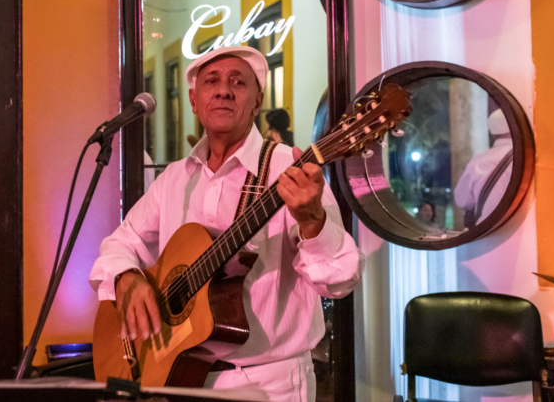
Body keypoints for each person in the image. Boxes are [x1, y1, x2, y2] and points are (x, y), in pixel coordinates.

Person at [89, 45, 364, 401]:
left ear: (257, 100)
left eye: (238, 82)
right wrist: (125, 278)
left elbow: (340, 281)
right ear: (193, 99)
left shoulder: (290, 172)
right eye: (211, 81)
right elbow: (120, 243)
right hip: (177, 376)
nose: (223, 90)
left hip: (268, 386)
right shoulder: (174, 178)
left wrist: (314, 221)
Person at [454, 109, 513, 226]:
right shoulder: (531, 157)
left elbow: (461, 199)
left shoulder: (479, 161)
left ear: (491, 132)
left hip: (488, 233)